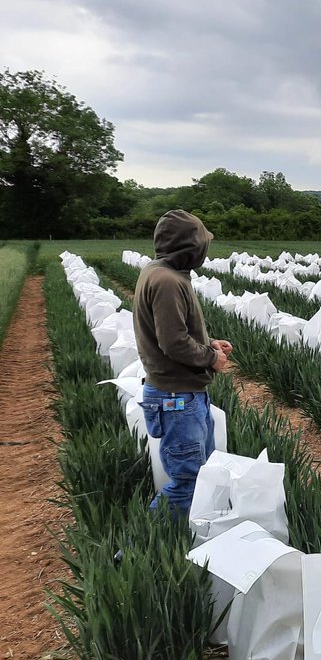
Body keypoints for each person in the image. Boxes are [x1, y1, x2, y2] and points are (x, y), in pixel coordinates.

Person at [133, 209, 232, 515]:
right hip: (177, 399)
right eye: (203, 243)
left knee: (202, 474)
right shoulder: (166, 281)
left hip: (183, 395)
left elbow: (174, 332)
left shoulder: (161, 272)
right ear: (191, 247)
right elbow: (173, 343)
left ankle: (191, 537)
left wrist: (208, 344)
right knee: (188, 481)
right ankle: (133, 554)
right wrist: (211, 357)